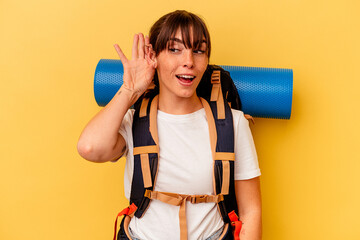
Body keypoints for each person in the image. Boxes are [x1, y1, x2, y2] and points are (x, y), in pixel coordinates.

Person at [77, 10, 262, 240]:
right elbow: (89, 148)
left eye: (198, 51)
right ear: (153, 56)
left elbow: (251, 212)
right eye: (175, 49)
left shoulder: (232, 123)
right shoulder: (134, 120)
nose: (188, 62)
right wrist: (130, 90)